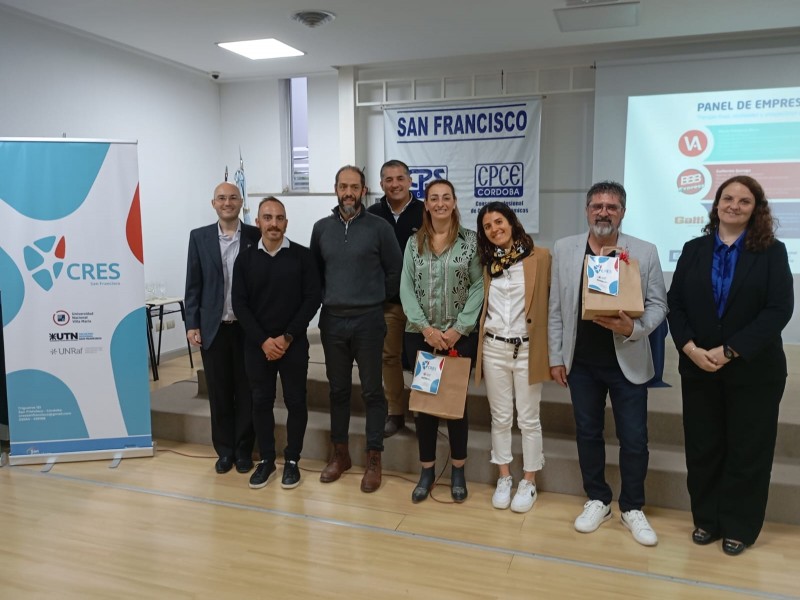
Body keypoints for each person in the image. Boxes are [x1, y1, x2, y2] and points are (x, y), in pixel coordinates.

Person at [667, 175, 793, 556]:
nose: (734, 205)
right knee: (703, 448)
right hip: (698, 367)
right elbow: (677, 305)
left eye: (744, 200)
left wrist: (731, 350)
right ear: (717, 204)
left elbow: (778, 310)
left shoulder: (772, 251)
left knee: (748, 450)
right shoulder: (693, 249)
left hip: (754, 371)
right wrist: (689, 348)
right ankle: (707, 519)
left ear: (757, 209)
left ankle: (739, 525)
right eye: (728, 198)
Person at [548, 181, 667, 546]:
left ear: (622, 212)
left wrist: (635, 327)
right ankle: (598, 499)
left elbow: (659, 305)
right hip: (581, 363)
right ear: (587, 210)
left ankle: (632, 506)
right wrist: (556, 356)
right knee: (588, 434)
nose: (603, 212)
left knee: (634, 439)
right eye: (597, 205)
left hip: (626, 360)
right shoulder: (565, 249)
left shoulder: (643, 252)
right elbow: (555, 308)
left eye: (611, 207)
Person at [310, 165, 403, 493]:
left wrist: (375, 298)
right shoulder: (321, 229)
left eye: (354, 187)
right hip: (332, 321)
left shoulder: (379, 228)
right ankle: (340, 455)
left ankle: (373, 458)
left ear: (364, 191)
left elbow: (395, 270)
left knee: (372, 391)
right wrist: (329, 299)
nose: (348, 192)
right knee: (337, 391)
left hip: (368, 321)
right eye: (343, 186)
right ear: (335, 189)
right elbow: (316, 274)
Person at [399, 179, 483, 503]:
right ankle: (427, 470)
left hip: (458, 338)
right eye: (434, 198)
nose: (440, 203)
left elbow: (478, 287)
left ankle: (459, 470)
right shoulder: (413, 243)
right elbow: (406, 287)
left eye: (446, 197)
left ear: (454, 201)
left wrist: (458, 330)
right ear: (426, 205)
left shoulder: (471, 243)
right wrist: (426, 330)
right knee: (426, 408)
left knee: (455, 407)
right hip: (421, 338)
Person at [231, 197, 321, 490]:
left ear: (286, 222)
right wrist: (263, 341)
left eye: (279, 217)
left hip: (292, 344)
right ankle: (267, 459)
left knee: (296, 402)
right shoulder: (244, 260)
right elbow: (240, 305)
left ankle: (292, 460)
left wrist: (286, 337)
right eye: (267, 217)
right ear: (257, 222)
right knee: (260, 402)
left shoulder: (303, 257)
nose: (273, 223)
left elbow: (311, 300)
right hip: (257, 346)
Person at [474, 201, 551, 513]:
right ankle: (504, 476)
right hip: (493, 346)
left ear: (512, 222)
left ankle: (529, 480)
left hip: (527, 348)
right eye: (488, 226)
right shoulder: (485, 263)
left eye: (499, 221)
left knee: (529, 417)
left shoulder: (540, 257)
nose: (495, 229)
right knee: (501, 417)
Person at [185, 181, 259, 474]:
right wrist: (192, 323)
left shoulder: (255, 235)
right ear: (213, 203)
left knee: (246, 391)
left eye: (233, 198)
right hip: (213, 327)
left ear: (241, 202)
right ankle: (225, 451)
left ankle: (244, 450)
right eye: (221, 198)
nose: (227, 202)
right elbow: (193, 284)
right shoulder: (199, 237)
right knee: (219, 392)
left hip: (246, 328)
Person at [367, 159, 424, 437]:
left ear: (410, 181)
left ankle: (426, 411)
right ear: (381, 184)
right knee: (389, 358)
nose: (395, 184)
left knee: (422, 358)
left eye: (400, 178)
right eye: (389, 179)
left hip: (424, 304)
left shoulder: (426, 212)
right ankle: (395, 413)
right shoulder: (372, 214)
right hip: (388, 301)